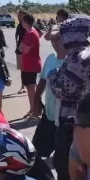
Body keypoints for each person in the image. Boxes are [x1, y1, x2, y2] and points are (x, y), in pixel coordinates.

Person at [48, 16, 90, 180]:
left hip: (74, 120)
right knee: (65, 165)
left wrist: (52, 75)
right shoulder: (75, 54)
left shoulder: (79, 57)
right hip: (70, 117)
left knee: (67, 166)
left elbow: (61, 88)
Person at [31, 30, 63, 159]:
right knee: (36, 152)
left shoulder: (73, 62)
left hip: (64, 118)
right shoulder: (51, 57)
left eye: (58, 39)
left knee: (61, 158)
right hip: (49, 113)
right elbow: (43, 80)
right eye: (53, 39)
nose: (55, 43)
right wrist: (36, 100)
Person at [19, 13, 42, 118]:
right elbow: (21, 48)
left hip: (31, 65)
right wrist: (22, 46)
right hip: (28, 65)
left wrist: (22, 46)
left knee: (31, 89)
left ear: (26, 22)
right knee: (30, 88)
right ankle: (33, 109)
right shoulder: (30, 33)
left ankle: (35, 111)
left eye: (23, 21)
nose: (21, 23)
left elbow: (24, 50)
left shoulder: (31, 34)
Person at [14, 9, 27, 92]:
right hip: (19, 49)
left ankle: (24, 86)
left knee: (25, 68)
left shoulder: (25, 25)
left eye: (19, 15)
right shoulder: (19, 25)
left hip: (24, 50)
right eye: (18, 15)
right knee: (22, 69)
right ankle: (23, 85)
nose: (18, 17)